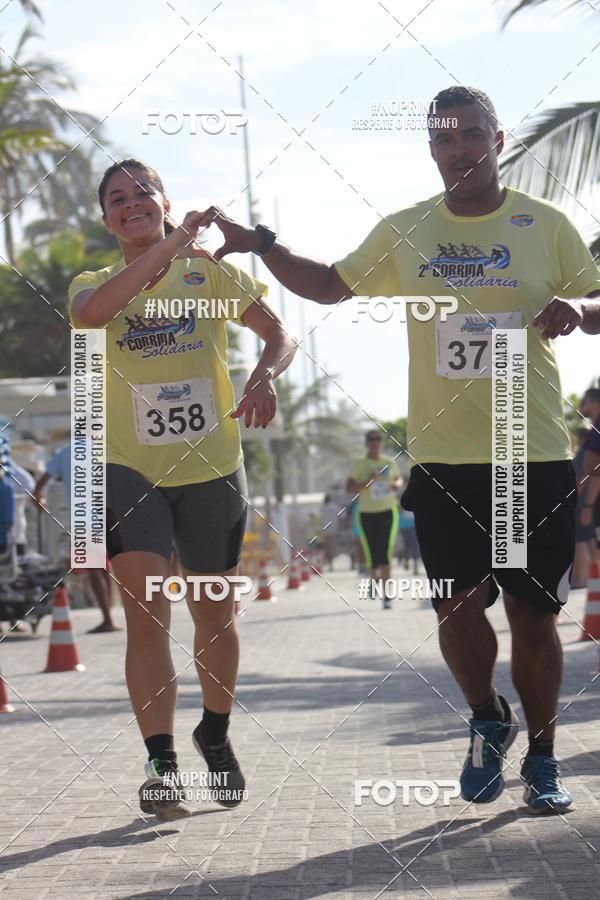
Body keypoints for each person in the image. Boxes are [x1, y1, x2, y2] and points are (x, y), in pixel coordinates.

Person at [197, 86, 600, 813]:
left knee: (532, 616)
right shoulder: (407, 230)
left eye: (471, 134)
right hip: (444, 461)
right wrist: (263, 245)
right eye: (444, 139)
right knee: (455, 610)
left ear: (498, 140)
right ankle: (487, 717)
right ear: (432, 150)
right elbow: (327, 285)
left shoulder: (544, 226)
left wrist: (579, 308)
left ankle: (543, 760)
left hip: (528, 451)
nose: (459, 150)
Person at [68, 158, 296, 821]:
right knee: (146, 615)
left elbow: (278, 331)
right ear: (105, 218)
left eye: (143, 192)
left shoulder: (208, 275)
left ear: (164, 199)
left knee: (213, 616)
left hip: (211, 467)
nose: (131, 203)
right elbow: (94, 316)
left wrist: (265, 375)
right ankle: (161, 763)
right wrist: (170, 245)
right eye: (117, 198)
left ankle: (214, 732)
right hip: (127, 468)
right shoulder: (94, 281)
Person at [33, 445, 120, 634]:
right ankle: (109, 615)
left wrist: (39, 499)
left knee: (95, 569)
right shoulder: (103, 447)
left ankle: (107, 619)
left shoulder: (65, 452)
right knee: (104, 567)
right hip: (108, 512)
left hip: (83, 517)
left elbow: (40, 484)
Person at [346, 431, 401, 609]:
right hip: (367, 513)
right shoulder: (360, 464)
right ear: (367, 443)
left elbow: (398, 480)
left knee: (385, 551)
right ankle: (373, 579)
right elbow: (349, 487)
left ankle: (387, 596)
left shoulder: (389, 462)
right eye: (371, 440)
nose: (375, 443)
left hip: (387, 511)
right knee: (371, 552)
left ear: (381, 443)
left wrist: (395, 485)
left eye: (378, 440)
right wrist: (368, 481)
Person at [572, 425, 598, 588]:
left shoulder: (583, 453)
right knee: (590, 539)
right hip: (591, 502)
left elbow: (581, 478)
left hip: (581, 503)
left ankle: (581, 578)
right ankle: (594, 575)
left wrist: (574, 499)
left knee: (579, 540)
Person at [579, 388, 600, 555]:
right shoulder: (594, 428)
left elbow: (596, 470)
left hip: (592, 502)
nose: (581, 405)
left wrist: (587, 506)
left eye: (585, 401)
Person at [321, 493, 341, 571]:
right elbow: (343, 515)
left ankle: (329, 564)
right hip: (333, 530)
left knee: (327, 548)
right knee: (332, 547)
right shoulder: (335, 507)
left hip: (325, 531)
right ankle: (331, 564)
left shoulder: (322, 508)